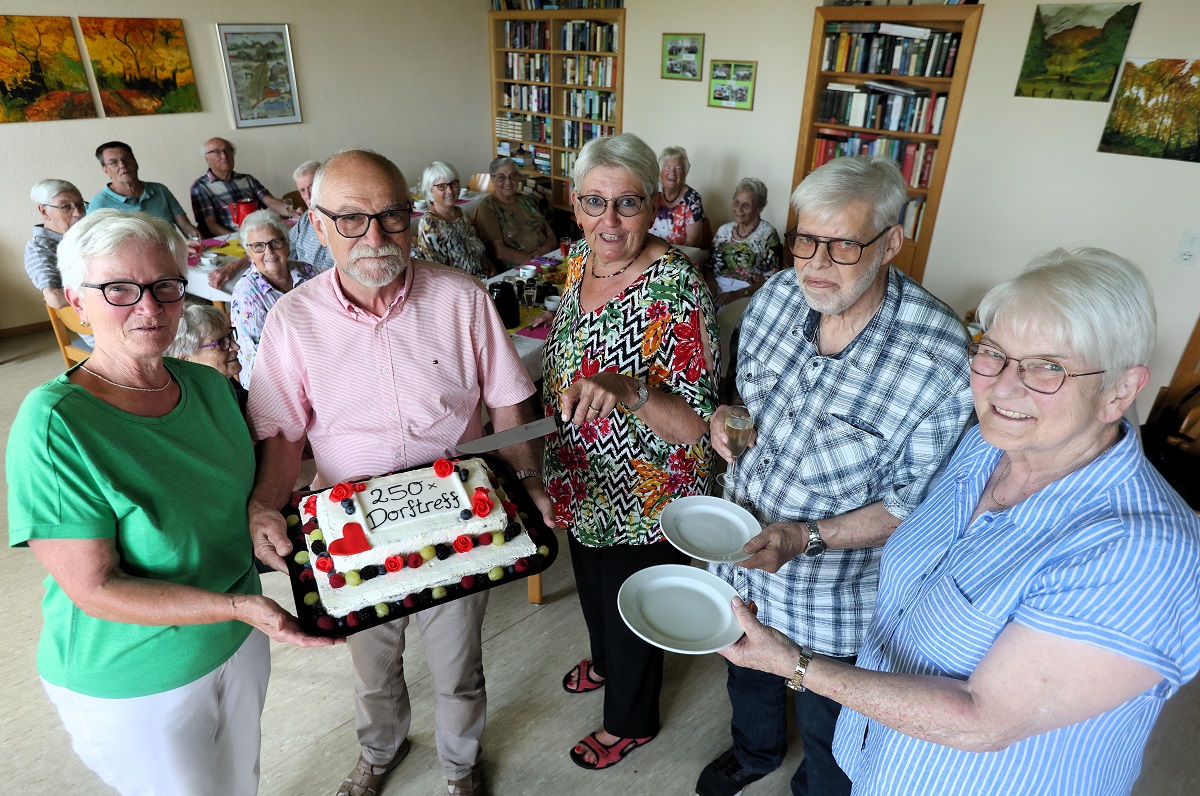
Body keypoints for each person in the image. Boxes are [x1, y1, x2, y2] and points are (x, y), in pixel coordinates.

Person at [719, 248, 1200, 796]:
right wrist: (803, 534)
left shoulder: (1143, 551)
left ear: (1120, 389)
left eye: (1048, 367)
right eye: (992, 352)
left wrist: (794, 665)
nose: (1001, 387)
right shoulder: (984, 449)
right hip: (877, 765)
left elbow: (984, 719)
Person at [244, 149, 553, 796]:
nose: (376, 237)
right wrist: (265, 508)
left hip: (459, 514)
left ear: (412, 219)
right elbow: (281, 436)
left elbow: (507, 400)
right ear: (317, 224)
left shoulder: (462, 298)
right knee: (374, 667)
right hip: (354, 529)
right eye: (352, 220)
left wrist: (526, 480)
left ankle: (461, 765)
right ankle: (379, 750)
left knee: (458, 666)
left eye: (391, 216)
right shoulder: (293, 320)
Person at [5, 209, 335, 796]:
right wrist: (238, 609)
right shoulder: (56, 423)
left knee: (241, 784)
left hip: (239, 639)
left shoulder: (208, 386)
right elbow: (95, 587)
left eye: (164, 286)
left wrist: (273, 516)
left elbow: (244, 496)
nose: (150, 307)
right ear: (78, 302)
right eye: (119, 290)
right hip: (135, 676)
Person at [697, 155, 973, 796]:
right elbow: (744, 400)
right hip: (742, 556)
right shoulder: (772, 298)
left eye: (843, 244)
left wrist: (802, 538)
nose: (815, 265)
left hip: (838, 601)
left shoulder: (938, 357)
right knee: (747, 673)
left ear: (891, 243)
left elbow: (915, 507)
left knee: (833, 735)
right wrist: (724, 417)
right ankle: (755, 752)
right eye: (804, 240)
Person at [542, 133, 720, 771]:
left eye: (628, 204)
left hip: (647, 488)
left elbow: (696, 427)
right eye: (595, 202)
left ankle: (631, 717)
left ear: (654, 206)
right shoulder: (578, 259)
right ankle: (605, 659)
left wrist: (628, 387)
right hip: (581, 473)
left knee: (631, 605)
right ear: (575, 201)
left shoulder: (677, 287)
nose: (609, 221)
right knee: (591, 581)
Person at [207, 159, 332, 290]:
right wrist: (234, 266)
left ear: (325, 184)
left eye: (312, 187)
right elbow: (276, 249)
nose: (308, 195)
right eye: (302, 190)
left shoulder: (338, 222)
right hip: (298, 291)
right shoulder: (305, 219)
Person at [229, 209, 319, 388]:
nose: (268, 251)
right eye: (258, 246)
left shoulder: (308, 272)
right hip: (271, 382)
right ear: (249, 252)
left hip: (316, 363)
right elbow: (262, 357)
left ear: (287, 244)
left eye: (275, 242)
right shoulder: (246, 293)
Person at [706, 177, 782, 381]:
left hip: (749, 291)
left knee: (720, 323)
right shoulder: (723, 231)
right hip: (719, 288)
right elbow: (709, 267)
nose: (738, 209)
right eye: (736, 202)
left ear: (759, 207)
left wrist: (736, 294)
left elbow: (772, 279)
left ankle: (719, 380)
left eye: (746, 205)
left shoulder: (767, 235)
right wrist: (713, 288)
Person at [88, 141, 201, 239]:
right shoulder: (99, 204)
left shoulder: (160, 190)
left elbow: (186, 226)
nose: (122, 165)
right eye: (113, 163)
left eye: (126, 159)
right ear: (105, 170)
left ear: (136, 163)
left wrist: (204, 246)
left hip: (173, 255)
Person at [190, 137, 294, 236]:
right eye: (217, 152)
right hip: (228, 240)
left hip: (257, 233)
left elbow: (271, 202)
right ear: (207, 159)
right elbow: (211, 226)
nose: (224, 156)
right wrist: (240, 238)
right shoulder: (200, 187)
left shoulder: (247, 179)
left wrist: (293, 212)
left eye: (228, 151)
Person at [472, 156, 556, 267]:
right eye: (501, 177)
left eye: (512, 176)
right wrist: (534, 261)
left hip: (545, 259)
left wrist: (542, 253)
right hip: (518, 268)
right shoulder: (487, 208)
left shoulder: (527, 201)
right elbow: (499, 252)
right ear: (493, 179)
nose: (508, 182)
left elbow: (551, 235)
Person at [415, 160, 491, 279]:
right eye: (441, 187)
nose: (450, 190)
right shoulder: (430, 223)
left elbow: (477, 247)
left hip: (482, 279)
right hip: (457, 289)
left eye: (453, 184)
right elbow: (435, 271)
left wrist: (490, 269)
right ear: (430, 191)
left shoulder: (461, 213)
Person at [166, 303, 248, 414]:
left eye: (230, 336)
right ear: (185, 360)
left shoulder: (224, 385)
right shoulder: (198, 411)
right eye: (221, 342)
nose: (236, 346)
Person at [26, 179, 86, 310]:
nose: (79, 213)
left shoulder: (87, 235)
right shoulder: (39, 248)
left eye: (80, 204)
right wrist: (102, 292)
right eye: (65, 207)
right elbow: (55, 298)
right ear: (44, 211)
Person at [649, 145, 705, 247]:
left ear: (685, 172)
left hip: (680, 256)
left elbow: (693, 242)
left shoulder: (692, 199)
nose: (672, 173)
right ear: (660, 172)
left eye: (678, 169)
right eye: (668, 168)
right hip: (651, 252)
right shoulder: (652, 194)